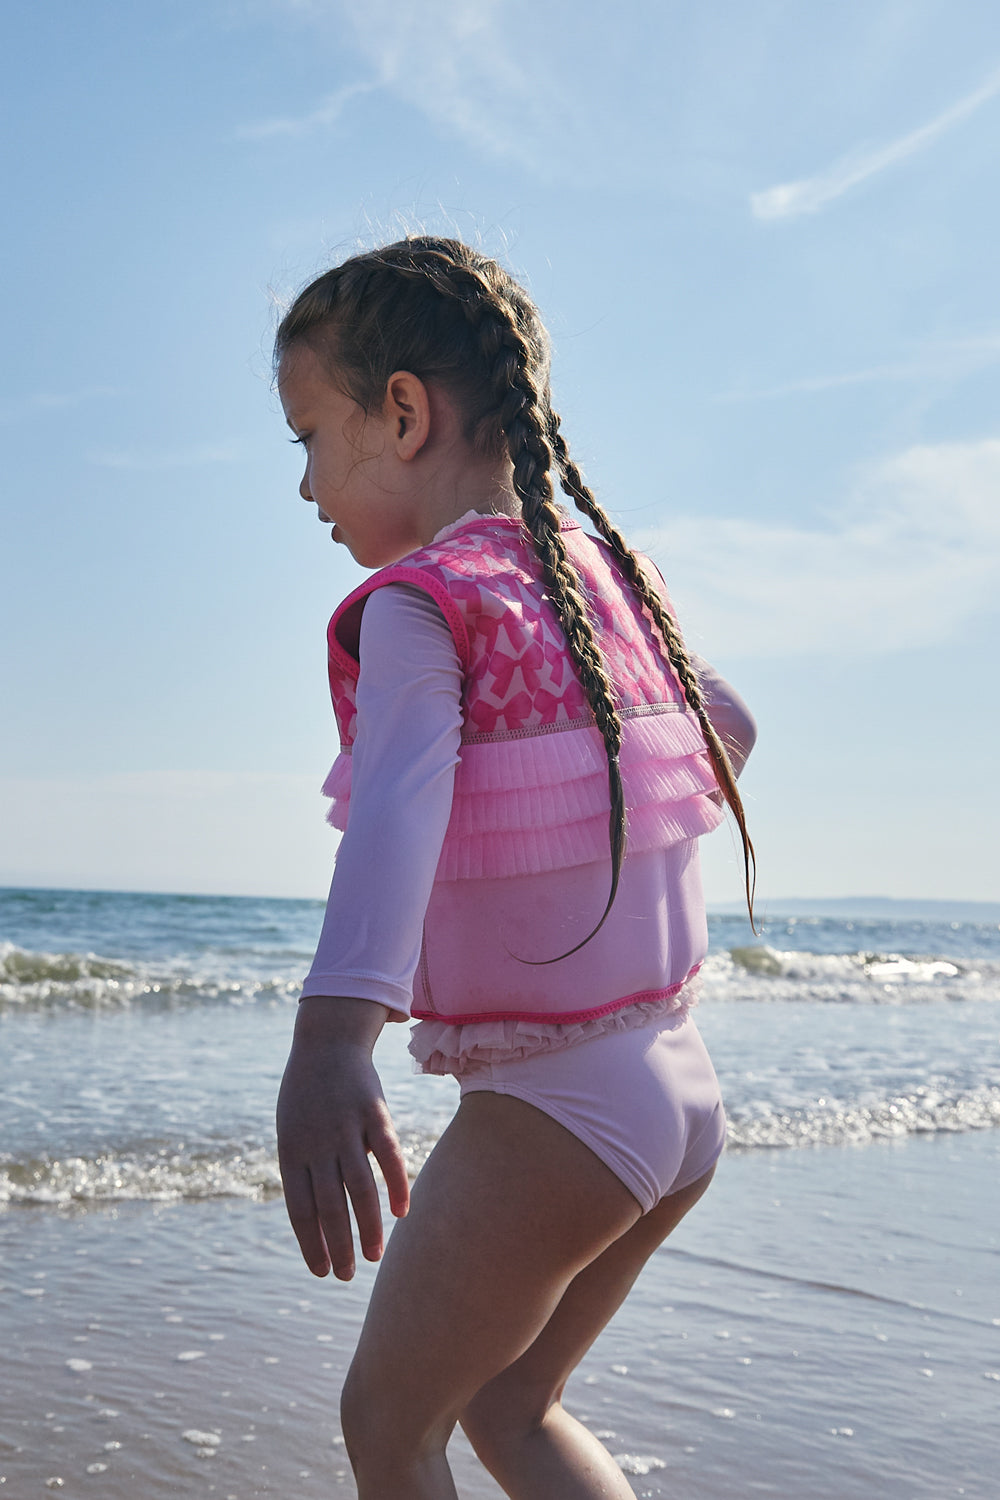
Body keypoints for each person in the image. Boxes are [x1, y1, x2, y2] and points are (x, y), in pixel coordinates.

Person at [274, 235, 757, 1500]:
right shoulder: (604, 579)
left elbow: (393, 812)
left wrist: (332, 1046)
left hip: (562, 1106)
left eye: (309, 437)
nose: (307, 485)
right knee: (510, 1403)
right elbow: (730, 731)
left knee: (391, 1424)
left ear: (402, 412)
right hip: (676, 1085)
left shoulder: (424, 602)